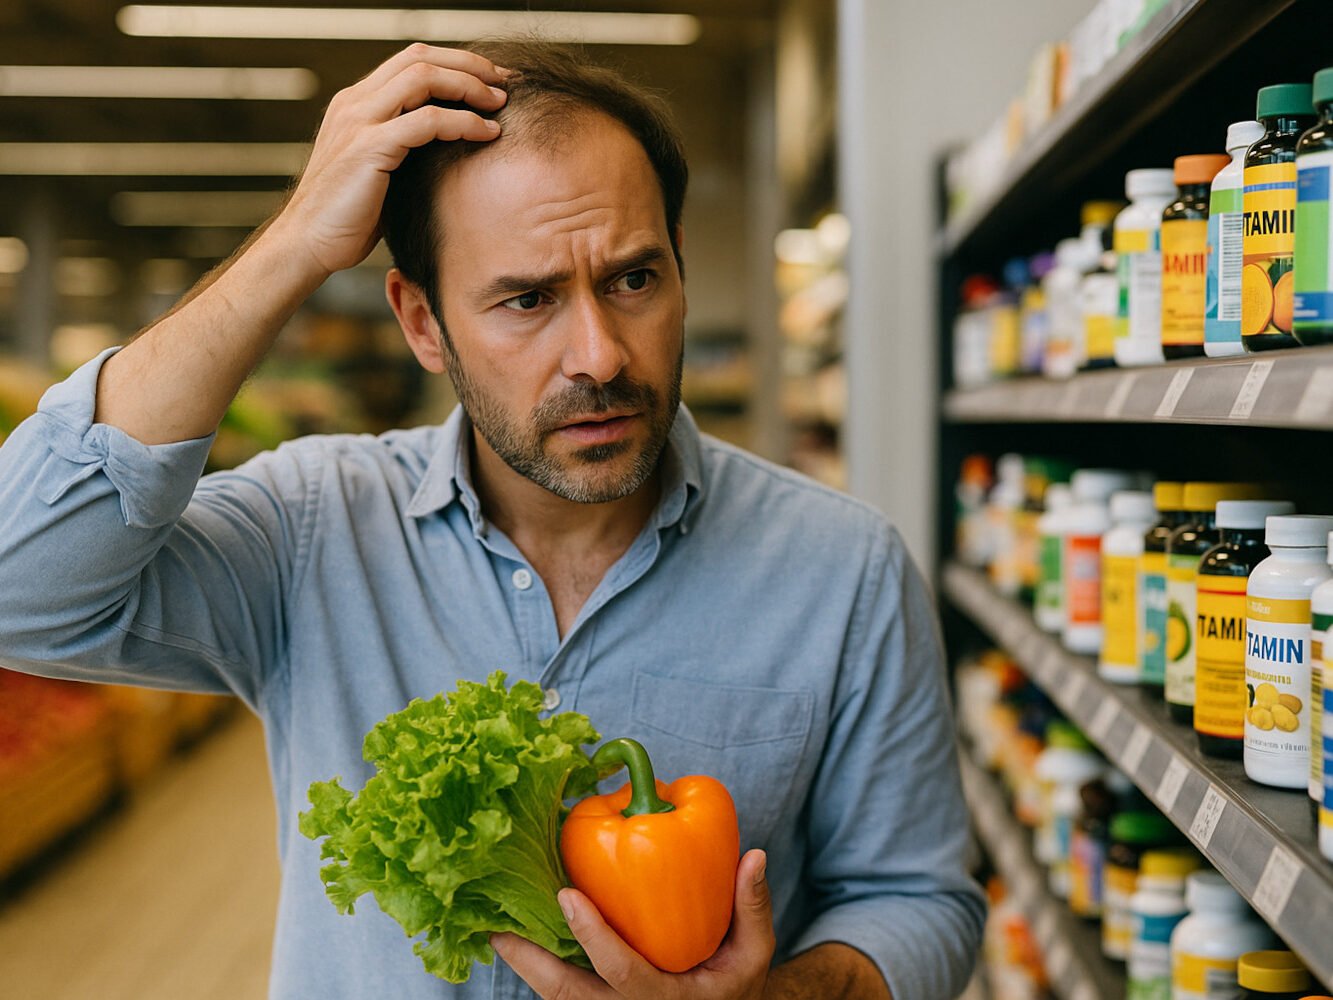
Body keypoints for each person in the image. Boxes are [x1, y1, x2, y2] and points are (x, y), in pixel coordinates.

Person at [0, 40, 984, 1000]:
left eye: (633, 279)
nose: (597, 353)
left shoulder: (842, 566)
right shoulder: (310, 528)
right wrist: (293, 246)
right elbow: (20, 591)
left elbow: (917, 899)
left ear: (681, 270)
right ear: (422, 322)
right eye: (526, 299)